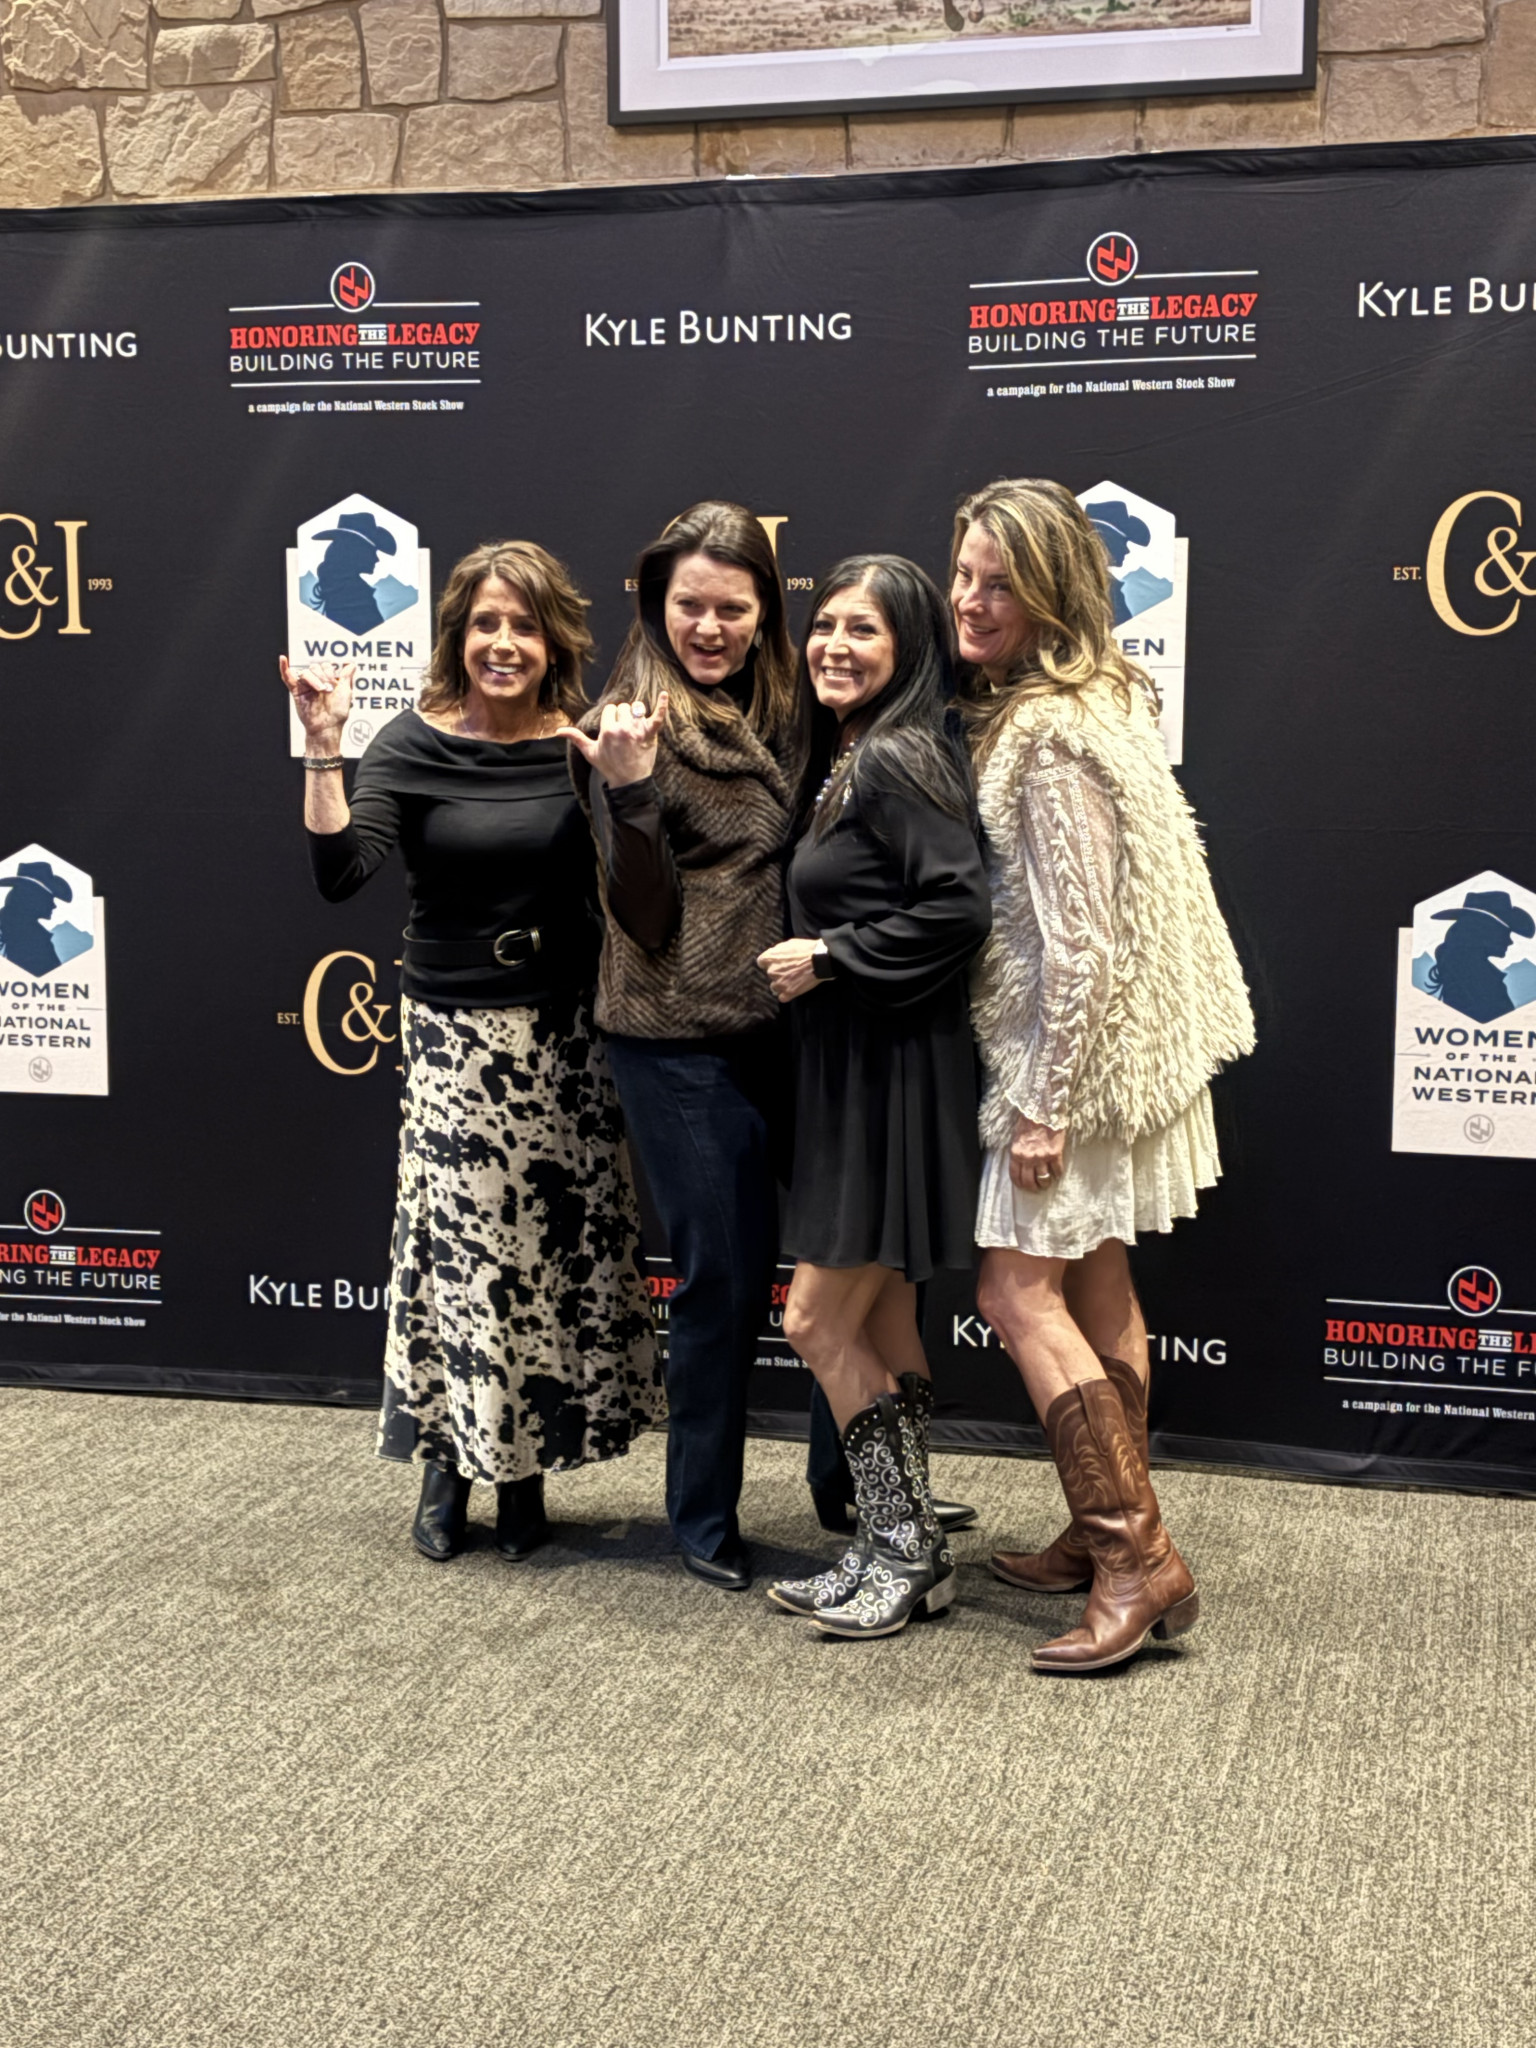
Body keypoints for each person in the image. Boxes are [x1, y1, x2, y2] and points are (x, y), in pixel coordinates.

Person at [282, 541, 661, 1565]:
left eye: (524, 625)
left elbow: (641, 894)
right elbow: (341, 871)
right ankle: (449, 1463)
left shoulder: (584, 743)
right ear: (457, 636)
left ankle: (525, 1467)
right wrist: (325, 745)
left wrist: (630, 788)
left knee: (546, 1256)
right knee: (461, 1256)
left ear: (554, 641)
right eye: (486, 623)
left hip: (566, 1036)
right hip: (453, 1035)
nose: (504, 642)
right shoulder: (411, 742)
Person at [953, 478, 1255, 1674]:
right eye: (964, 573)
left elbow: (1080, 943)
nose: (972, 599)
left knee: (1013, 1293)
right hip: (1122, 1057)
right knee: (1097, 1279)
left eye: (1001, 582)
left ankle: (1138, 1556)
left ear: (1053, 593)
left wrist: (1045, 1099)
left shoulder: (1050, 735)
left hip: (1073, 1063)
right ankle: (1100, 1534)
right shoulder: (1097, 699)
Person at [563, 502, 804, 1593]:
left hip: (787, 1025)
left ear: (764, 612)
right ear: (656, 606)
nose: (710, 627)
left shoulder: (787, 704)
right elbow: (644, 915)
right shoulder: (625, 724)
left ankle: (853, 1495)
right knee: (723, 1282)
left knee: (847, 1267)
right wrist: (629, 791)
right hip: (676, 1038)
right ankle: (701, 1515)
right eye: (689, 606)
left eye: (732, 608)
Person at [758, 556, 991, 1638]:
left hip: (884, 1076)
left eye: (865, 630)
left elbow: (958, 907)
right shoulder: (860, 750)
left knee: (813, 1320)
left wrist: (833, 954)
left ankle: (898, 1547)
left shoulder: (893, 755)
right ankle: (910, 1545)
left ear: (908, 648)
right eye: (826, 625)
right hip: (867, 1069)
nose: (835, 646)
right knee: (887, 1316)